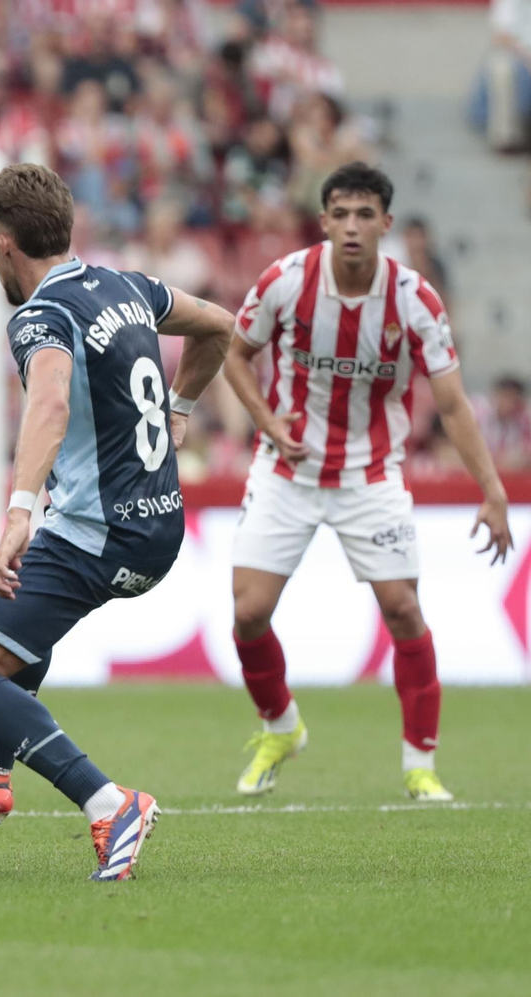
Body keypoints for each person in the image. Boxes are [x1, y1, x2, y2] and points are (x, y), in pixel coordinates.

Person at [0, 164, 234, 882]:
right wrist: (180, 409)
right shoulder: (130, 286)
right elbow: (220, 327)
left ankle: (110, 802)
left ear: (4, 244)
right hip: (157, 527)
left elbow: (48, 404)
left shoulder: (42, 313)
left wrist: (19, 511)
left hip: (95, 530)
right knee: (12, 632)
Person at [225, 162, 514, 802]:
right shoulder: (285, 281)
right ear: (323, 221)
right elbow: (235, 354)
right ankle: (281, 727)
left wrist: (493, 491)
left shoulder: (415, 300)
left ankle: (421, 765)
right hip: (287, 468)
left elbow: (455, 404)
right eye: (341, 214)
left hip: (371, 473)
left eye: (365, 215)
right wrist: (268, 420)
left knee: (404, 609)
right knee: (248, 613)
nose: (352, 227)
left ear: (385, 223)